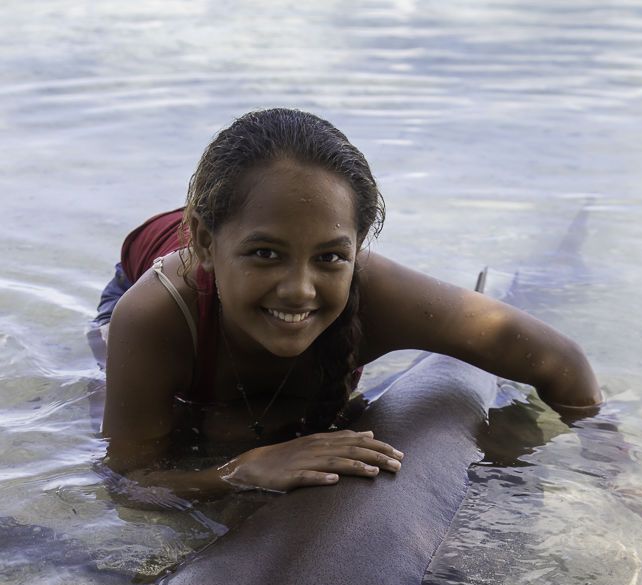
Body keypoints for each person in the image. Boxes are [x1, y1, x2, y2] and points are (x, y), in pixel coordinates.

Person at [98, 107, 602, 499]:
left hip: (253, 240)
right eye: (266, 254)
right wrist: (240, 472)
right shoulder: (155, 315)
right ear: (206, 242)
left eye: (330, 257)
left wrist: (609, 462)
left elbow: (562, 360)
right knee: (205, 426)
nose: (300, 289)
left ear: (357, 250)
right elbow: (128, 480)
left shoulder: (376, 292)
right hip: (163, 287)